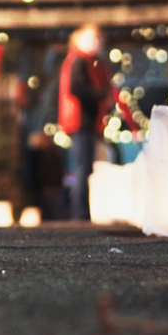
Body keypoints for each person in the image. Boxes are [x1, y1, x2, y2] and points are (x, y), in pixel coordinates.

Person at [57, 24, 113, 221]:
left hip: (85, 121)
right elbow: (76, 87)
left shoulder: (88, 62)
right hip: (81, 121)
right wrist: (102, 94)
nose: (95, 42)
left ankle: (82, 213)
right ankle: (80, 214)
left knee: (84, 167)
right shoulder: (78, 61)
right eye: (91, 38)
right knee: (83, 168)